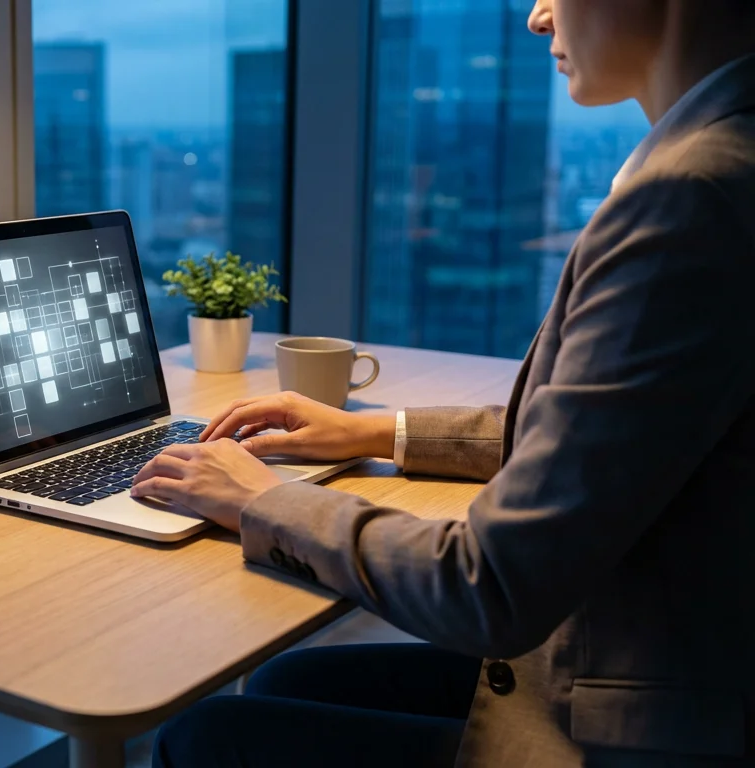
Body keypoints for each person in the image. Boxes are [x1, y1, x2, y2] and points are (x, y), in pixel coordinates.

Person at [141, 1, 755, 765]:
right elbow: (608, 445)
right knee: (283, 679)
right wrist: (371, 432)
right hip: (670, 662)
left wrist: (262, 501)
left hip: (639, 724)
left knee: (203, 737)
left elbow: (492, 586)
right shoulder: (720, 160)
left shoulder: (693, 195)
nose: (536, 18)